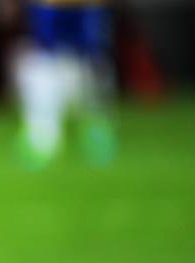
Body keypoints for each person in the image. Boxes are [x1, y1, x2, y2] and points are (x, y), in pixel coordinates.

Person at [13, 0, 117, 170]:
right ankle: (41, 145)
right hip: (49, 57)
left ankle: (97, 141)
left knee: (92, 106)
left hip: (83, 57)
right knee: (43, 105)